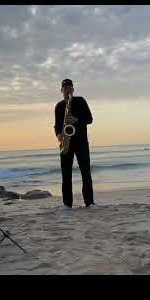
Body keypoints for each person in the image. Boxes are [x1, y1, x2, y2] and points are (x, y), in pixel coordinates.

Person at [54, 78, 95, 209]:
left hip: (81, 142)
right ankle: (67, 204)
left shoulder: (81, 101)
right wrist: (59, 135)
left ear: (73, 89)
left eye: (70, 88)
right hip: (66, 143)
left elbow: (90, 119)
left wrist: (76, 119)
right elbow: (57, 126)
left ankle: (89, 203)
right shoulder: (59, 106)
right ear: (61, 91)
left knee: (86, 173)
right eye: (65, 88)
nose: (68, 90)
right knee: (66, 175)